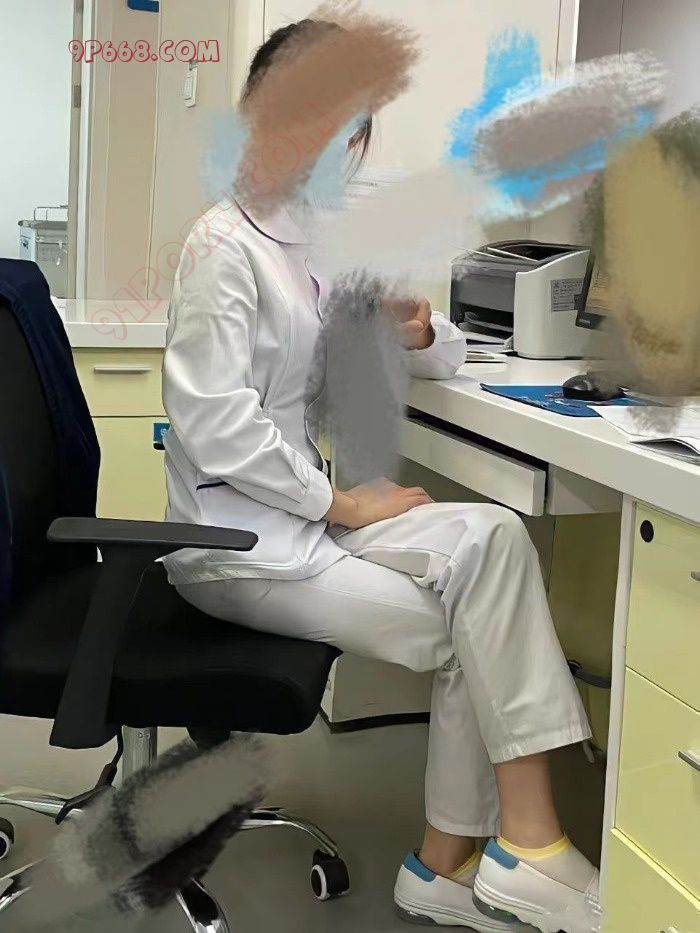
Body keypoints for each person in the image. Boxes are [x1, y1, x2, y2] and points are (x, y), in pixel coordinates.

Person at [161, 19, 600, 933]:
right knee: (474, 629)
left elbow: (419, 352)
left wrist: (420, 330)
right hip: (237, 544)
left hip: (307, 520)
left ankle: (497, 852)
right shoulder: (221, 247)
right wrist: (342, 500)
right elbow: (216, 425)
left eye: (354, 128)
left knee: (493, 537)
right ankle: (473, 859)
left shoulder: (313, 241)